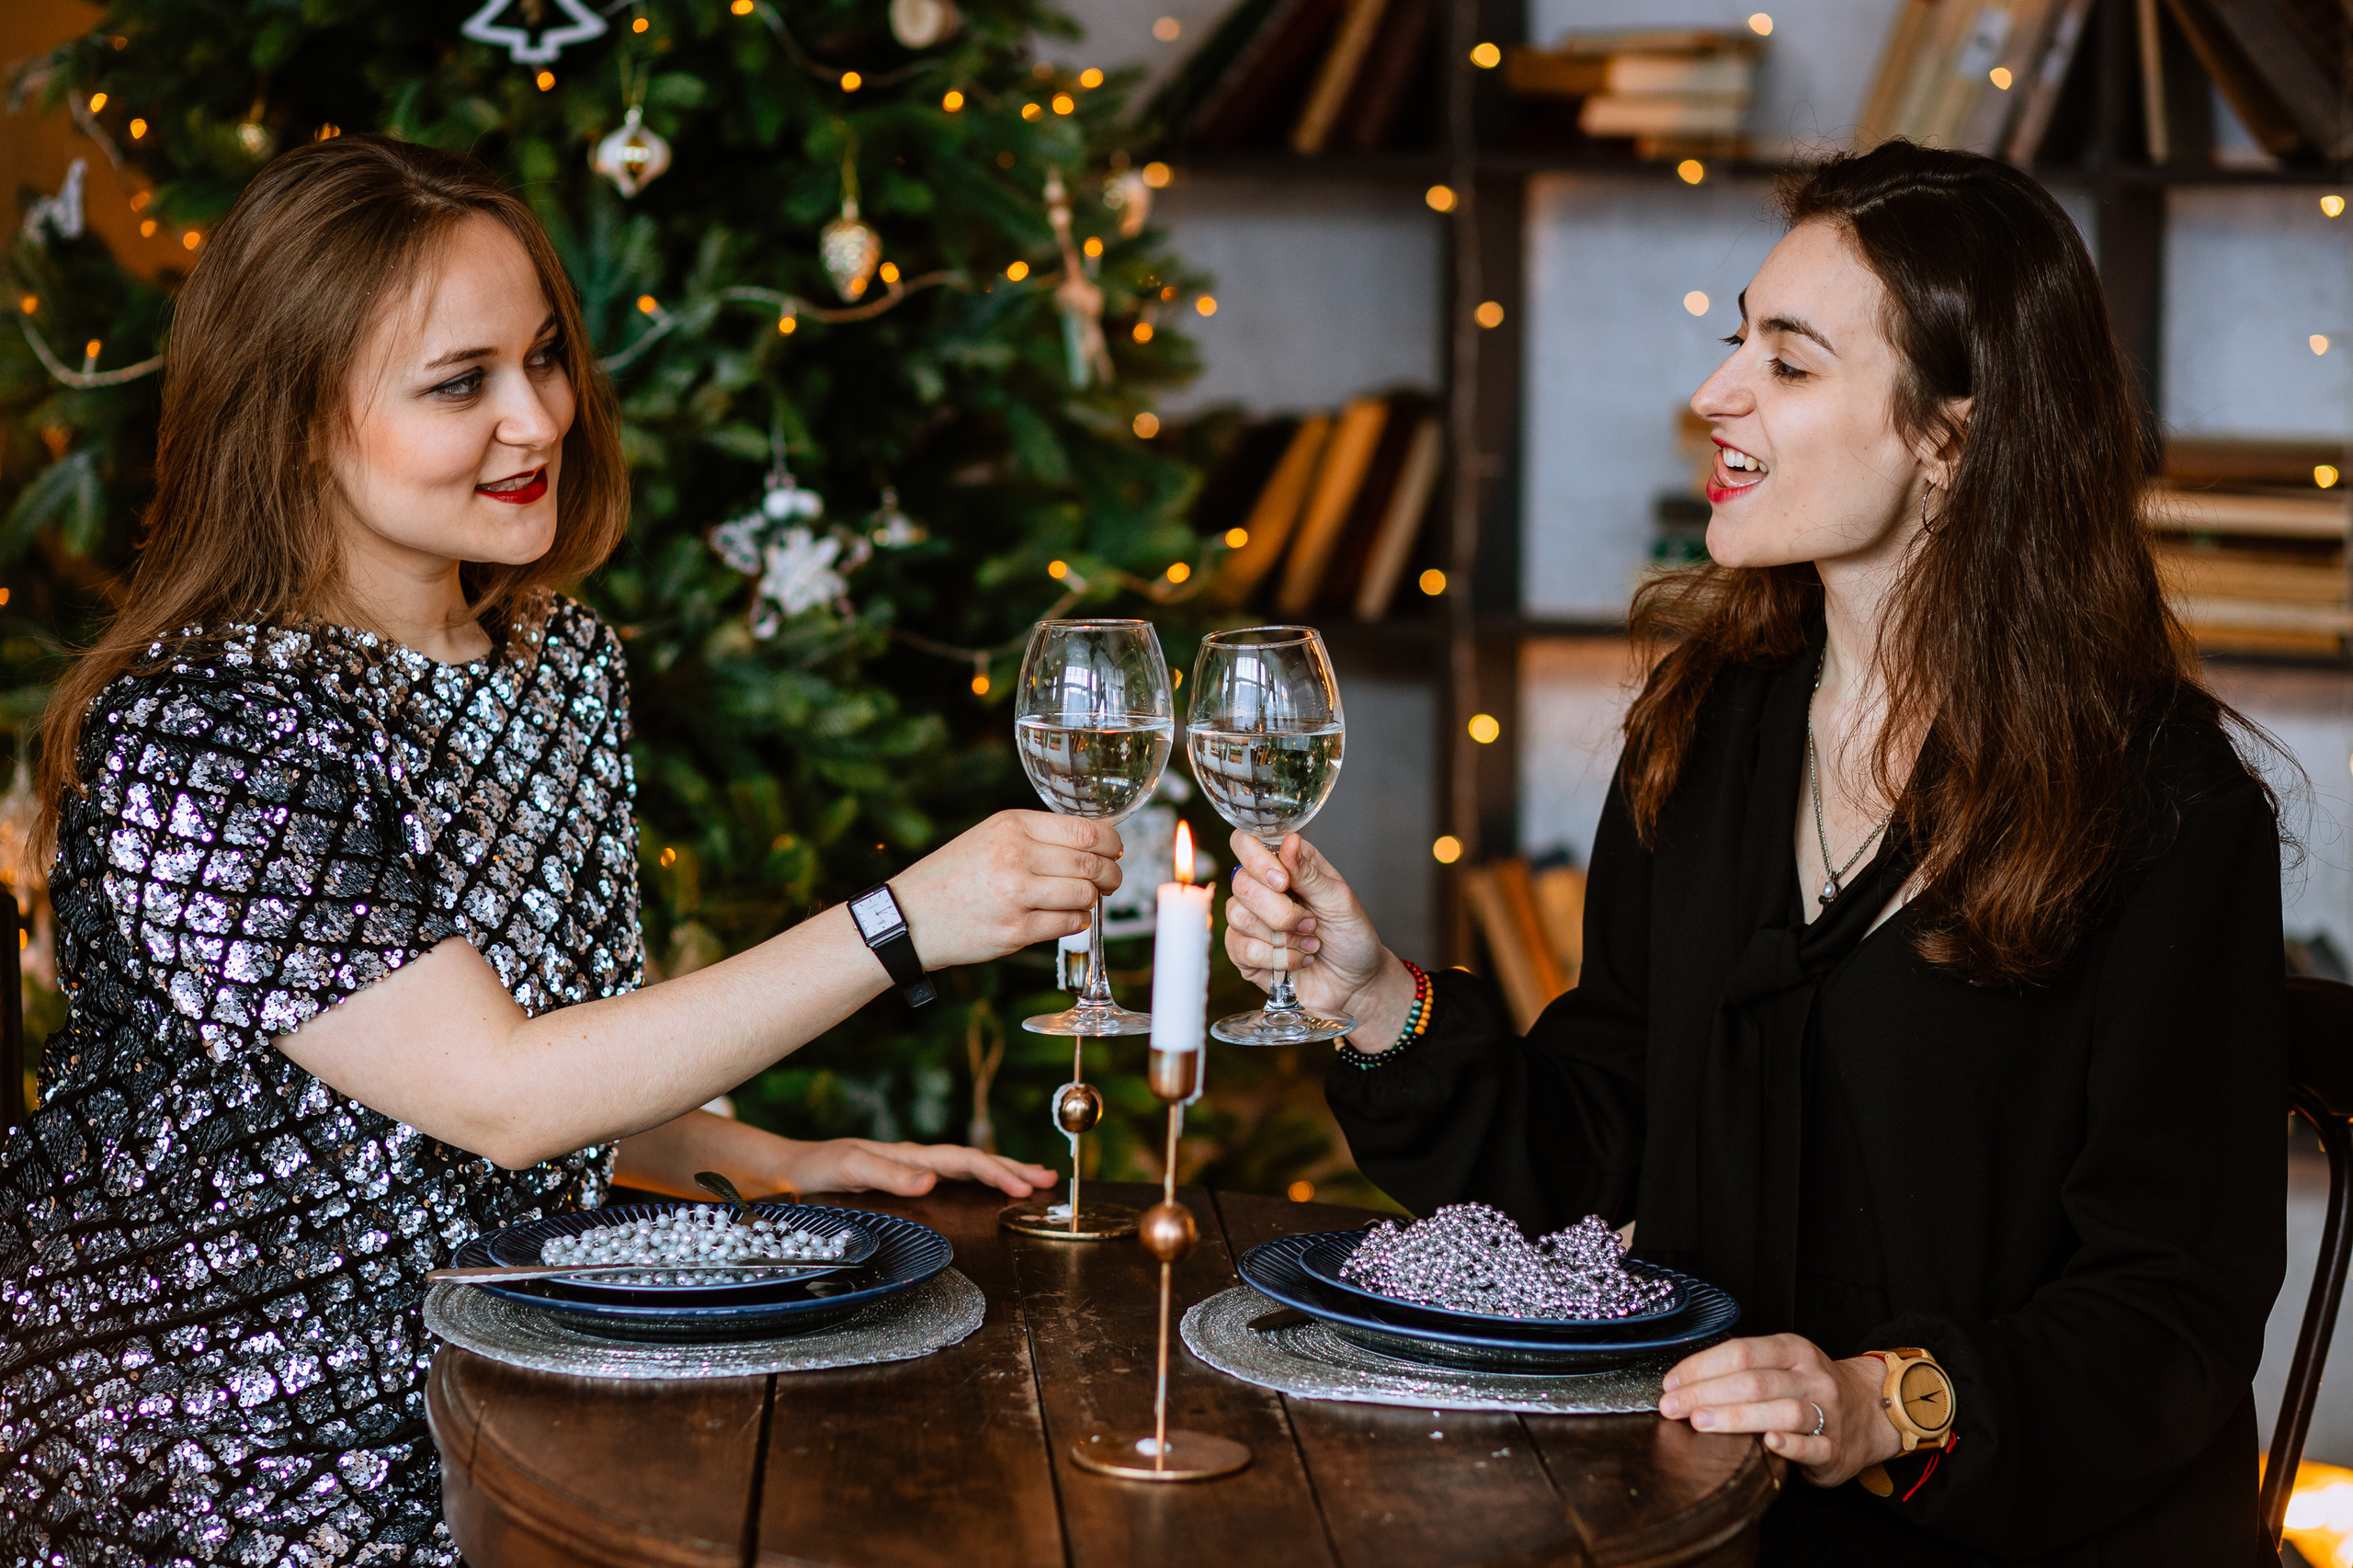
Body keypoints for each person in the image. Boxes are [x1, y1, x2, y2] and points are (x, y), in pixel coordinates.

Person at [0, 135, 1113, 1566]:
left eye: (541, 358)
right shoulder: (203, 728)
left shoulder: (558, 656)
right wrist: (898, 922)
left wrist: (767, 1162)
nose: (537, 419)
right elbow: (501, 1096)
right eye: (460, 383)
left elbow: (544, 1064)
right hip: (220, 1454)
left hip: (514, 1384)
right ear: (295, 421)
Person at [1222, 142, 2285, 1565]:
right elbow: (1596, 1152)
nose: (1715, 395)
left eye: (1787, 362)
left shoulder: (2166, 805)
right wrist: (1377, 1002)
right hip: (1715, 1515)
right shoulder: (1709, 724)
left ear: (1952, 438)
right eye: (1739, 343)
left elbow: (2173, 1309)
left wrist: (1879, 1400)